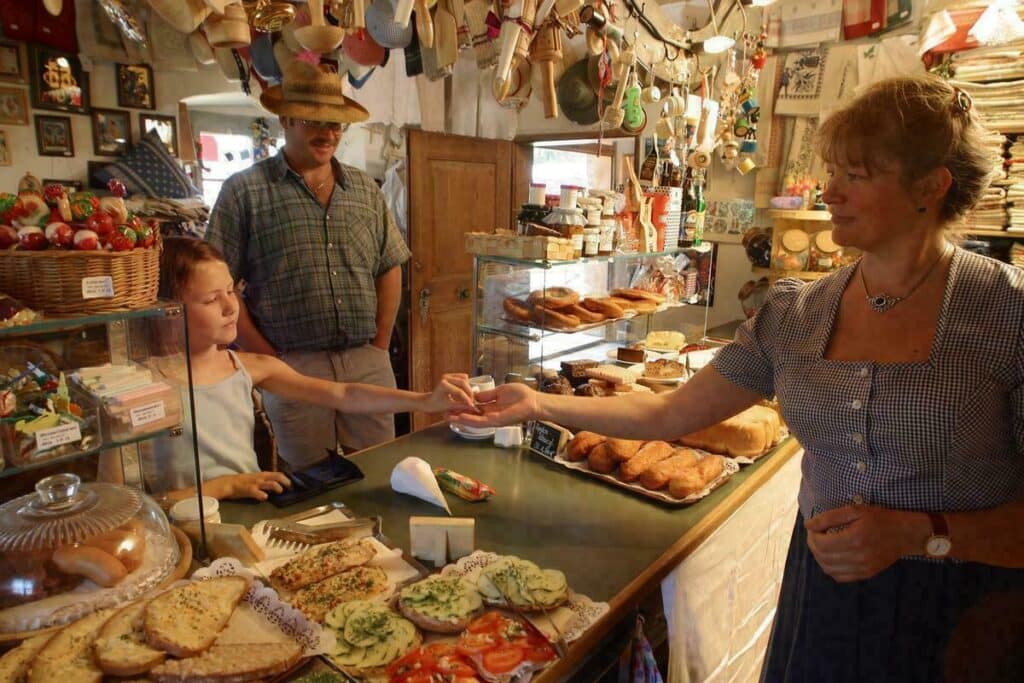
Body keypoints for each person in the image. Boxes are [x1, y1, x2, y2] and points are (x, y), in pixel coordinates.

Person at [451, 75, 1024, 681]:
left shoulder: (1007, 315)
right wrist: (537, 403)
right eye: (832, 172)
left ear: (930, 188)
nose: (829, 192)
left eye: (855, 176)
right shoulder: (796, 311)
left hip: (964, 612)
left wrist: (921, 534)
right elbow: (667, 414)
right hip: (822, 596)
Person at [148, 237, 475, 502]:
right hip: (181, 530)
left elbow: (343, 393)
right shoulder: (141, 389)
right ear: (167, 310)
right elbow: (126, 499)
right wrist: (224, 487)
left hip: (250, 514)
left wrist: (424, 401)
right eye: (210, 300)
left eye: (231, 290)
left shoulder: (247, 367)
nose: (230, 306)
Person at [206, 60, 411, 468]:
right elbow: (219, 284)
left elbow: (390, 265)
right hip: (291, 364)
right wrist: (266, 358)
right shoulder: (244, 192)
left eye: (336, 123)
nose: (328, 132)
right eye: (312, 120)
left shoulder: (365, 192)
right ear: (284, 118)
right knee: (308, 481)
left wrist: (380, 344)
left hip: (366, 359)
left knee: (379, 470)